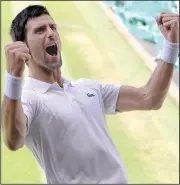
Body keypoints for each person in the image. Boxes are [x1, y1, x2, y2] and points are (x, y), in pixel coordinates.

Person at [2, 5, 179, 184]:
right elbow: (13, 140)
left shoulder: (88, 88)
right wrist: (13, 79)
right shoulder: (29, 99)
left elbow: (149, 98)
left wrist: (171, 45)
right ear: (24, 48)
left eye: (53, 27)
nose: (51, 33)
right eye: (40, 30)